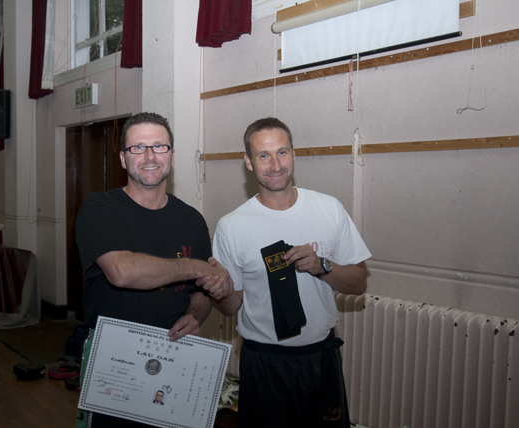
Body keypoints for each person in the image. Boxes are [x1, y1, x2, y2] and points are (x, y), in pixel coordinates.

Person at [205, 117, 371, 427]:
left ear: (294, 154)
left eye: (282, 152)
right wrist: (220, 292)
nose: (275, 164)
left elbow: (359, 282)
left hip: (320, 358)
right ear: (248, 162)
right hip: (263, 364)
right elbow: (230, 308)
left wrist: (323, 266)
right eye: (263, 155)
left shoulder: (329, 209)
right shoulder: (232, 226)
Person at [75, 112, 233, 427]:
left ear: (172, 157)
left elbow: (200, 292)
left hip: (175, 355)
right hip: (116, 359)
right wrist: (196, 266)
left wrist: (196, 314)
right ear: (123, 158)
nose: (149, 156)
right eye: (138, 148)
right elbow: (123, 272)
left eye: (159, 147)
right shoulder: (100, 208)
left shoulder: (191, 220)